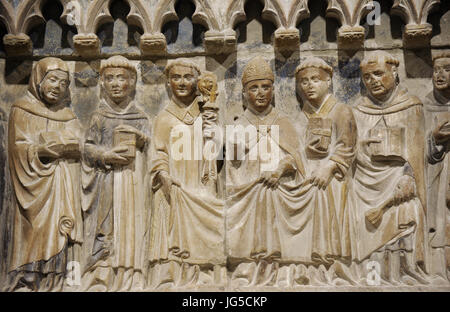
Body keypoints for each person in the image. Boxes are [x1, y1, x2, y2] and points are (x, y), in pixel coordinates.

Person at [344, 51, 429, 285]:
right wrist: (360, 147)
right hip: (365, 182)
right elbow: (348, 150)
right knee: (364, 223)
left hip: (400, 180)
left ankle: (401, 272)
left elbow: (417, 152)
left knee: (405, 218)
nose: (373, 81)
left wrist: (409, 175)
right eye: (367, 77)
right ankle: (371, 278)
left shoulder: (412, 106)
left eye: (379, 74)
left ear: (394, 73)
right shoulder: (358, 111)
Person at [147, 59, 225, 289]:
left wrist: (214, 134)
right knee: (172, 232)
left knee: (205, 226)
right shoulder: (164, 117)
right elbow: (158, 151)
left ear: (197, 82)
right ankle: (173, 275)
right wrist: (162, 175)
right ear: (168, 82)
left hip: (202, 180)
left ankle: (205, 273)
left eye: (188, 77)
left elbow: (219, 152)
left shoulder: (206, 114)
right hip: (175, 183)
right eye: (176, 77)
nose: (181, 82)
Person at [7, 57, 82, 291]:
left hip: (61, 184)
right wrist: (39, 151)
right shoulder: (21, 110)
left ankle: (57, 278)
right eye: (52, 80)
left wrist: (72, 146)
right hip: (33, 185)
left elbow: (80, 144)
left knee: (61, 228)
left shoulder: (68, 116)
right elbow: (16, 148)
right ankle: (30, 278)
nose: (57, 87)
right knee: (34, 230)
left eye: (63, 83)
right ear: (38, 80)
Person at [81, 56, 151, 291]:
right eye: (109, 78)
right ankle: (103, 276)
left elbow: (154, 149)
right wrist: (106, 155)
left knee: (131, 229)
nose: (115, 83)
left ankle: (131, 274)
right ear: (102, 82)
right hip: (106, 181)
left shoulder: (140, 117)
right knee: (105, 229)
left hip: (132, 183)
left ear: (132, 82)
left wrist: (142, 140)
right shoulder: (98, 116)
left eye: (121, 78)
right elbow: (88, 147)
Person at [295, 57, 357, 264]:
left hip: (330, 179)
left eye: (315, 79)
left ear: (328, 81)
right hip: (304, 175)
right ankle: (301, 261)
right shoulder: (300, 115)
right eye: (304, 81)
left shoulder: (341, 110)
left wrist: (329, 167)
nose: (309, 85)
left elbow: (346, 146)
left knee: (322, 194)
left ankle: (329, 262)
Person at [424, 52, 450, 281]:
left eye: (447, 69)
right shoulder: (426, 105)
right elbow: (415, 146)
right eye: (436, 70)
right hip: (438, 173)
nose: (440, 75)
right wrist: (433, 138)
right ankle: (438, 271)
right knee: (439, 221)